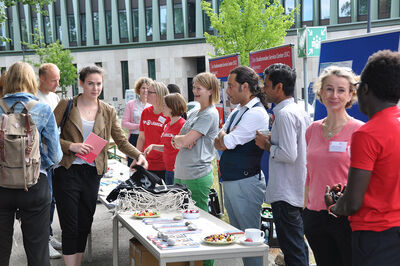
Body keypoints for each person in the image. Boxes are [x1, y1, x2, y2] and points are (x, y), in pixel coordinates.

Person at [53, 65, 148, 266]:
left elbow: (121, 141)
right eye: (90, 83)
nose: (95, 88)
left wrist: (139, 154)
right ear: (81, 83)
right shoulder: (66, 105)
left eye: (98, 84)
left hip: (92, 173)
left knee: (84, 224)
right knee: (70, 225)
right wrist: (72, 145)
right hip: (67, 171)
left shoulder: (108, 110)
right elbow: (47, 136)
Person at [324, 50, 400, 266]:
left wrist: (334, 206)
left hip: (375, 238)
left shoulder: (367, 133)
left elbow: (353, 203)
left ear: (364, 89)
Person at [0, 62, 63, 266]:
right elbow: (56, 156)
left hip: (1, 184)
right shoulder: (43, 109)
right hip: (35, 183)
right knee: (38, 251)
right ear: (31, 81)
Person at [303, 66, 364, 266]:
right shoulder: (312, 130)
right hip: (315, 216)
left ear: (350, 95)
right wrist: (306, 208)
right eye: (329, 89)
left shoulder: (360, 131)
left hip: (345, 215)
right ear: (321, 91)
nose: (334, 95)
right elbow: (309, 174)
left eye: (341, 90)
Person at [255, 63, 310, 266]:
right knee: (297, 246)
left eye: (267, 85)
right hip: (295, 189)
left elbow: (289, 154)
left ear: (279, 87)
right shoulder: (298, 111)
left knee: (293, 249)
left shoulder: (285, 114)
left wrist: (267, 145)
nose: (263, 89)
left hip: (286, 192)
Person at [214, 66, 269, 266]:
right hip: (233, 181)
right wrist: (225, 136)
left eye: (230, 86)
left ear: (245, 87)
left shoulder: (256, 113)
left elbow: (226, 142)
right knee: (240, 238)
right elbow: (218, 138)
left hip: (245, 182)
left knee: (250, 240)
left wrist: (225, 136)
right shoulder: (239, 110)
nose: (227, 91)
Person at [173, 72, 220, 211]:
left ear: (210, 90)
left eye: (199, 88)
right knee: (180, 215)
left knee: (199, 220)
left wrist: (182, 139)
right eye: (194, 87)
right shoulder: (195, 112)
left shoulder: (210, 114)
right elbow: (179, 140)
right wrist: (178, 139)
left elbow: (185, 139)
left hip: (196, 174)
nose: (194, 91)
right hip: (182, 172)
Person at [37, 63, 63, 259]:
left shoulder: (54, 97)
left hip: (55, 156)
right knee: (46, 200)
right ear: (42, 78)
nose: (57, 83)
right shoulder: (34, 97)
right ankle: (43, 240)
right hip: (41, 159)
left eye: (58, 79)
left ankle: (48, 235)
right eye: (53, 80)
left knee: (52, 199)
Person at [144, 93, 186, 185]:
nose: (162, 108)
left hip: (177, 171)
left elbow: (185, 147)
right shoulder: (167, 125)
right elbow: (168, 147)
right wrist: (153, 146)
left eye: (164, 105)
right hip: (168, 169)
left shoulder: (183, 125)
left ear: (172, 107)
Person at [136, 81, 170, 180]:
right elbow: (141, 138)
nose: (146, 94)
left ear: (159, 94)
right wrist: (138, 156)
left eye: (150, 92)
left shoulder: (169, 114)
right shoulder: (146, 112)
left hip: (164, 165)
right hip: (147, 163)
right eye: (146, 91)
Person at [122, 77, 152, 166]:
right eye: (143, 88)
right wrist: (139, 126)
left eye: (148, 88)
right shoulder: (131, 104)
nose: (145, 90)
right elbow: (124, 123)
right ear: (138, 89)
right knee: (133, 166)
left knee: (148, 167)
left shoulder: (153, 104)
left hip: (149, 139)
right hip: (134, 138)